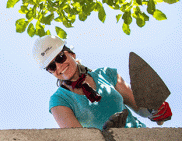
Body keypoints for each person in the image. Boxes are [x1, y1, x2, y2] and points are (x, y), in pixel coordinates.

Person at [32, 35, 172, 130]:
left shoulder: (106, 74)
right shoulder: (58, 101)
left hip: (142, 139)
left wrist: (158, 112)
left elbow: (143, 109)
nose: (58, 66)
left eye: (60, 57)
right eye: (51, 67)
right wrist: (108, 134)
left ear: (71, 54)